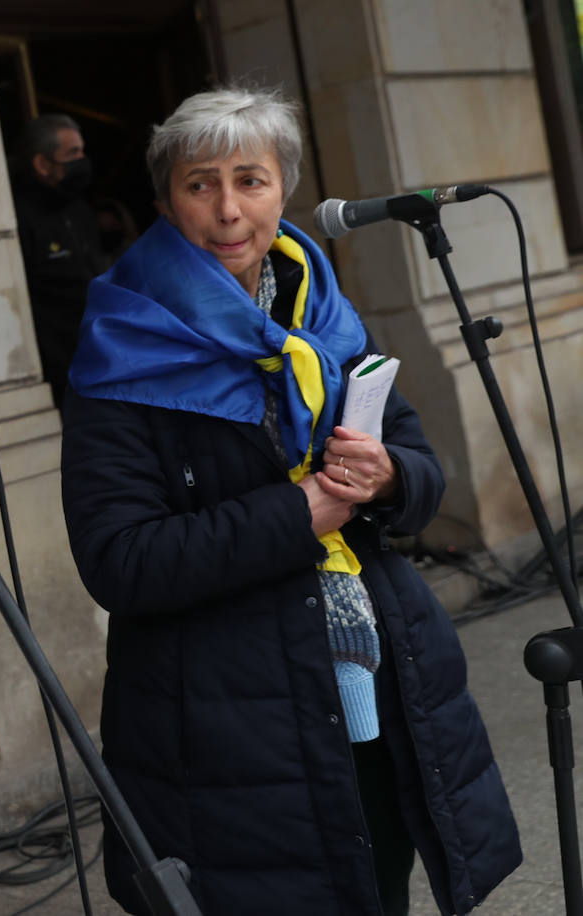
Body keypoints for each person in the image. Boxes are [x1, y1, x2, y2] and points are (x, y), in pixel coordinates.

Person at [59, 87, 521, 916]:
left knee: (379, 882)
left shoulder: (327, 315)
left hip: (379, 686)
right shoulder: (122, 343)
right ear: (166, 199)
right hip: (225, 727)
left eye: (251, 180)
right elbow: (119, 560)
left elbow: (418, 461)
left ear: (285, 189)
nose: (230, 210)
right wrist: (296, 513)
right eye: (201, 185)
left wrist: (389, 477)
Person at [12, 113, 105, 408]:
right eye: (72, 153)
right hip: (63, 363)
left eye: (82, 151)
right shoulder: (21, 218)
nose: (82, 160)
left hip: (103, 349)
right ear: (42, 164)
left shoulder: (79, 209)